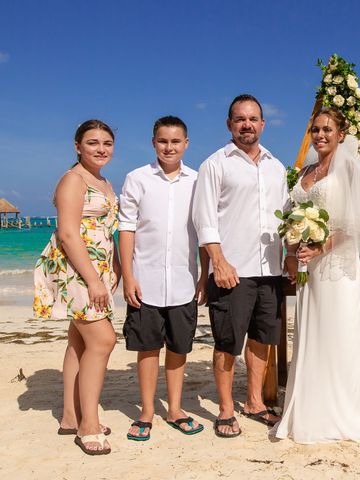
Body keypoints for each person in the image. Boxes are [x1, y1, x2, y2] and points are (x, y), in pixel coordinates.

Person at [271, 107, 360, 443]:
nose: (321, 135)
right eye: (316, 129)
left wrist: (322, 247)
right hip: (308, 268)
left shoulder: (351, 170)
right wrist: (293, 247)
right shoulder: (305, 171)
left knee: (338, 333)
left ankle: (343, 412)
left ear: (341, 134)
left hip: (337, 267)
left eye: (328, 129)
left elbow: (356, 223)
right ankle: (309, 407)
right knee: (311, 333)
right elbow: (291, 215)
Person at [192, 94, 288, 438]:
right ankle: (225, 408)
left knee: (262, 340)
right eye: (240, 119)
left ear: (263, 124)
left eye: (253, 119)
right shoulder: (215, 164)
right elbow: (203, 220)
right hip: (232, 270)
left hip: (270, 271)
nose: (247, 125)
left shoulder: (277, 166)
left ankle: (255, 403)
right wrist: (218, 261)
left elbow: (286, 218)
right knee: (227, 343)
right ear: (229, 124)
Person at [118, 116, 209, 441]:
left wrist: (204, 277)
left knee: (179, 348)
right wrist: (128, 276)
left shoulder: (199, 182)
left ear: (186, 144)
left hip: (185, 282)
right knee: (147, 348)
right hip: (146, 280)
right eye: (162, 141)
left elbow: (203, 232)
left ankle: (174, 409)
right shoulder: (136, 179)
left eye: (175, 141)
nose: (169, 147)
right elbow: (126, 229)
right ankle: (145, 412)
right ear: (153, 143)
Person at [33, 119, 119, 455]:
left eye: (107, 143)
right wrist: (94, 279)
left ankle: (71, 415)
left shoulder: (103, 180)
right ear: (77, 146)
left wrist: (112, 271)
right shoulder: (73, 179)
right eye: (93, 142)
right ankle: (88, 426)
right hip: (76, 269)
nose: (101, 149)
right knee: (104, 339)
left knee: (79, 341)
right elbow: (68, 233)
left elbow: (105, 233)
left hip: (95, 269)